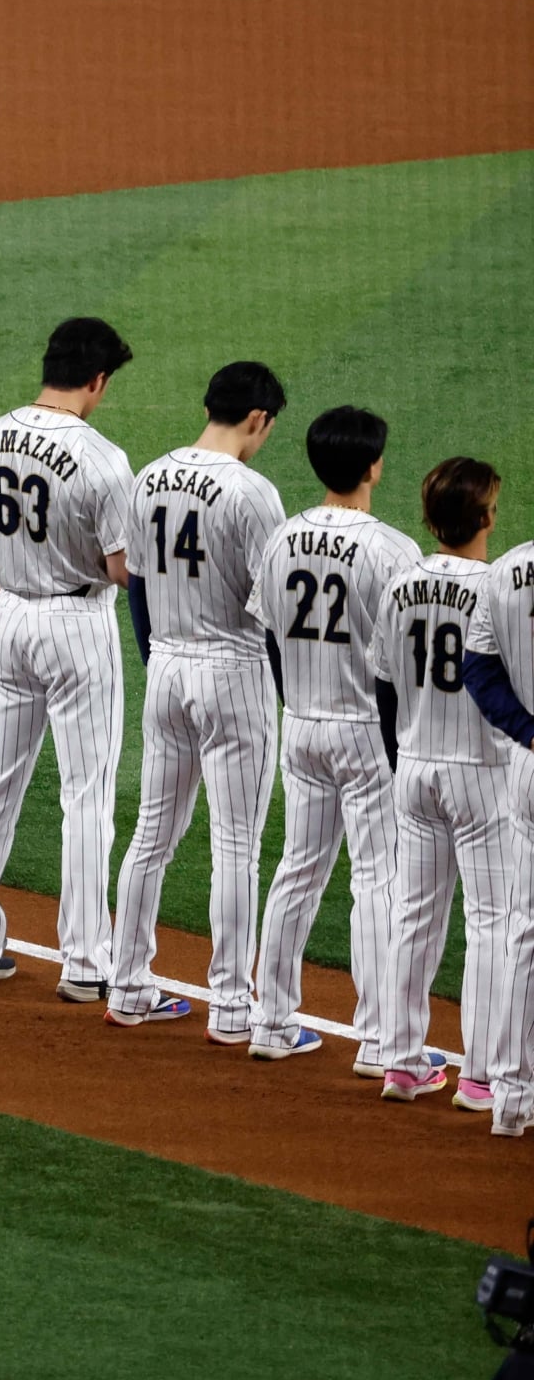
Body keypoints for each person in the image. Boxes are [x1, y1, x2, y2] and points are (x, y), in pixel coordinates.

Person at [0, 317, 138, 999]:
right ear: (96, 380)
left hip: (10, 617)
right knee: (86, 793)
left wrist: (6, 617)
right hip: (77, 624)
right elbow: (122, 569)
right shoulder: (103, 458)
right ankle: (85, 962)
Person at [105, 362, 289, 1039]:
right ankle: (233, 1007)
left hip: (168, 667)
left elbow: (137, 585)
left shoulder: (149, 475)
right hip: (233, 671)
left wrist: (157, 661)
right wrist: (288, 693)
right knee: (236, 845)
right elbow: (273, 610)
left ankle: (127, 986)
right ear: (258, 419)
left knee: (151, 834)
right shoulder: (252, 492)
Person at [245, 406, 420, 1070]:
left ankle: (270, 1021)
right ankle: (378, 1040)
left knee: (298, 868)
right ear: (374, 466)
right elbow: (405, 664)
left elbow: (268, 632)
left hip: (302, 723)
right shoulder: (393, 550)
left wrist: (296, 699)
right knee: (377, 877)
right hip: (367, 731)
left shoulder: (281, 538)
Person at [373, 459, 514, 1108]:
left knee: (414, 915)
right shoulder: (499, 589)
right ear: (485, 517)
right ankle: (480, 1075)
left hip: (415, 766)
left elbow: (383, 684)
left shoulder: (400, 583)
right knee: (491, 922)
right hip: (482, 773)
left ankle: (401, 1063)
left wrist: (399, 757)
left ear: (431, 519)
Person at [463, 512, 534, 1138]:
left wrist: (528, 732)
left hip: (529, 768)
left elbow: (479, 670)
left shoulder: (507, 570)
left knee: (525, 932)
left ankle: (511, 1100)